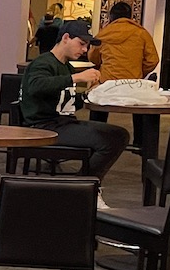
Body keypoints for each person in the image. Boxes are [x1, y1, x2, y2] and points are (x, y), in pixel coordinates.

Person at [20, 20, 128, 186]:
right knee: (107, 141)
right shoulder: (43, 63)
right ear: (65, 38)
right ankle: (83, 187)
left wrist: (91, 94)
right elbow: (36, 87)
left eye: (86, 46)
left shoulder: (66, 66)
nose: (84, 50)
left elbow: (66, 102)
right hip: (43, 127)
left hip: (63, 123)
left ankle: (82, 185)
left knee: (121, 134)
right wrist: (76, 78)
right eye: (81, 44)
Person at [88, 0, 160, 143]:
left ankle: (97, 138)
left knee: (97, 103)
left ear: (111, 17)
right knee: (140, 106)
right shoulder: (141, 33)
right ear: (130, 16)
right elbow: (153, 60)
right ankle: (140, 142)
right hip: (133, 84)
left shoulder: (103, 34)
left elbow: (93, 58)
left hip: (107, 84)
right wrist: (138, 72)